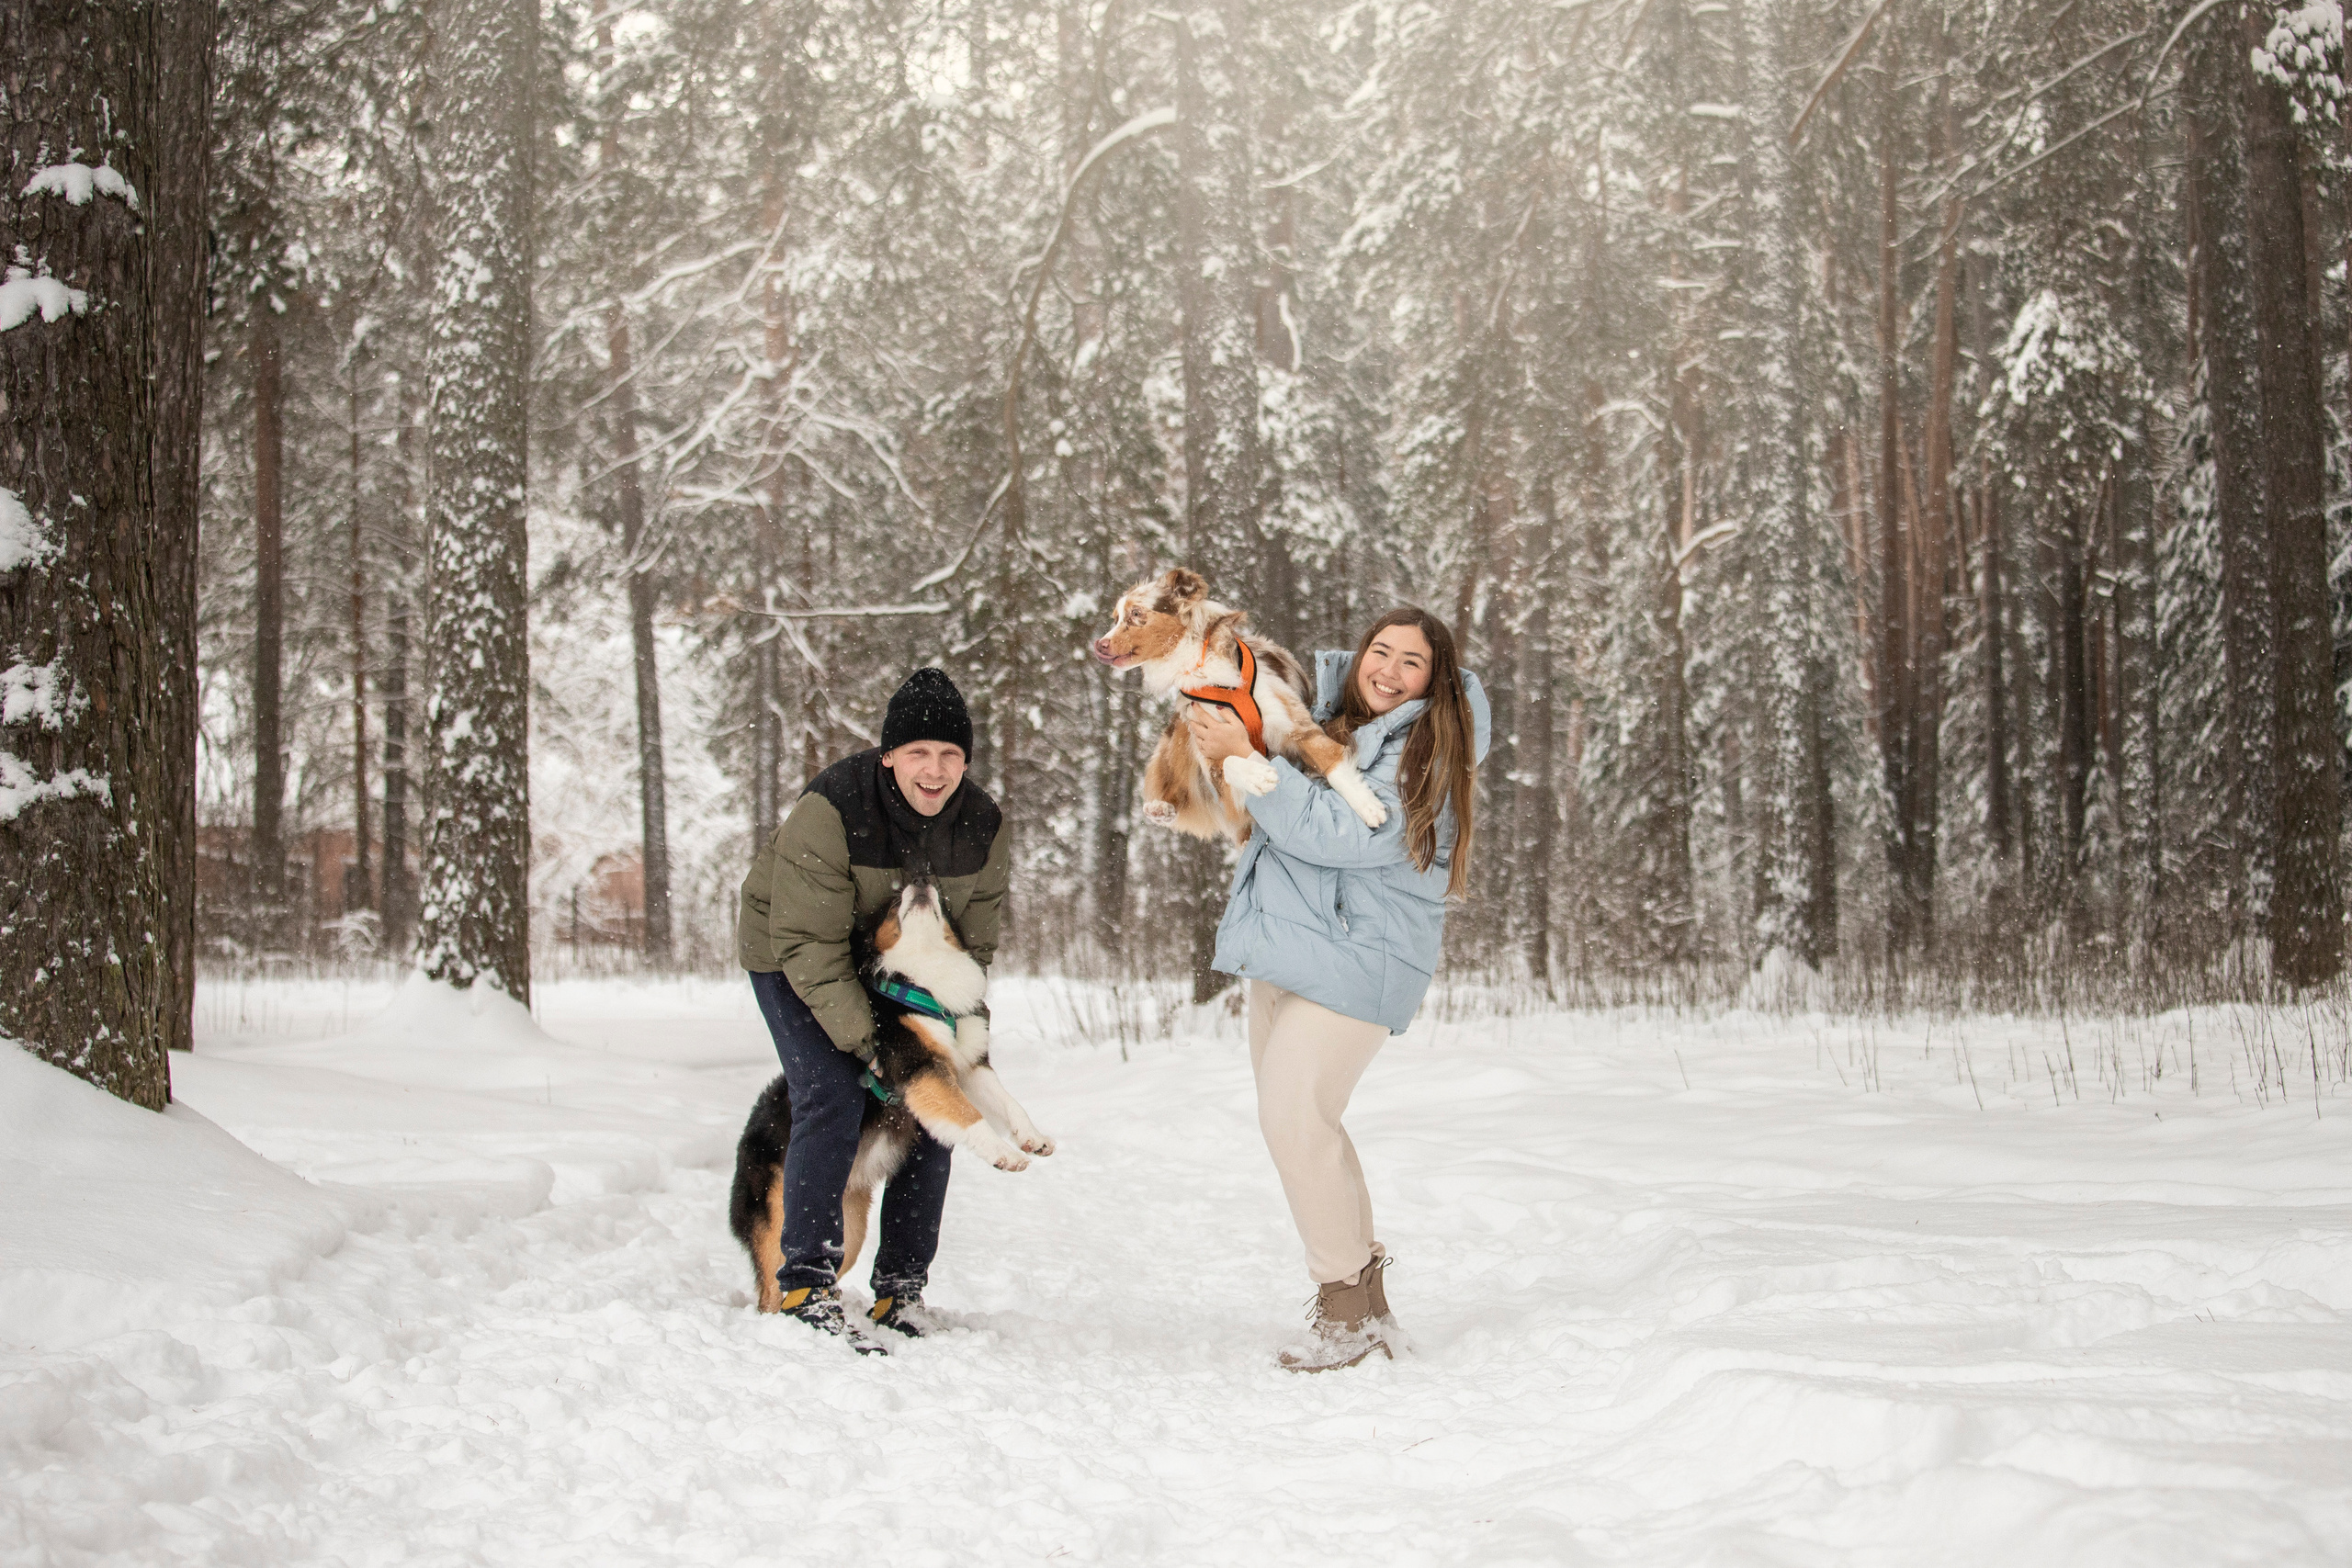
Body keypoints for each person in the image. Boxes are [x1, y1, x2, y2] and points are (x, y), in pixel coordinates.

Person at [1185, 608, 1488, 1372]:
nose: (1387, 668)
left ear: (1435, 678)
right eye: (1379, 650)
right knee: (1307, 1124)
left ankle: (1345, 1315)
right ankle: (1367, 1304)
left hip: (1360, 953)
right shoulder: (1328, 723)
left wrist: (1251, 762)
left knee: (1293, 1116)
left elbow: (1345, 833)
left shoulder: (1427, 743)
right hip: (1289, 947)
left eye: (1411, 661)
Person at [738, 666, 1009, 1347]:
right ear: (888, 754)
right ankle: (805, 1283)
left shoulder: (981, 824)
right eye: (918, 751)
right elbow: (808, 946)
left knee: (935, 1103)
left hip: (894, 961)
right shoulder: (834, 809)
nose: (935, 769)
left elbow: (971, 950)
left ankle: (901, 1292)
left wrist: (959, 1043)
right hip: (794, 952)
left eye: (950, 754)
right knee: (831, 1089)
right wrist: (879, 1049)